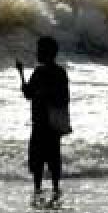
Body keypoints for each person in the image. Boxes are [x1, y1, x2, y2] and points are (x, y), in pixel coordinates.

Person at [16, 36, 70, 200]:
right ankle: (46, 191)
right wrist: (22, 76)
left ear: (48, 52)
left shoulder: (55, 73)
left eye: (40, 50)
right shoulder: (42, 72)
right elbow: (29, 94)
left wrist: (45, 93)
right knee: (43, 161)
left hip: (48, 125)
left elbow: (63, 98)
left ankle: (48, 192)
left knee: (47, 161)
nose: (37, 52)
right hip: (42, 124)